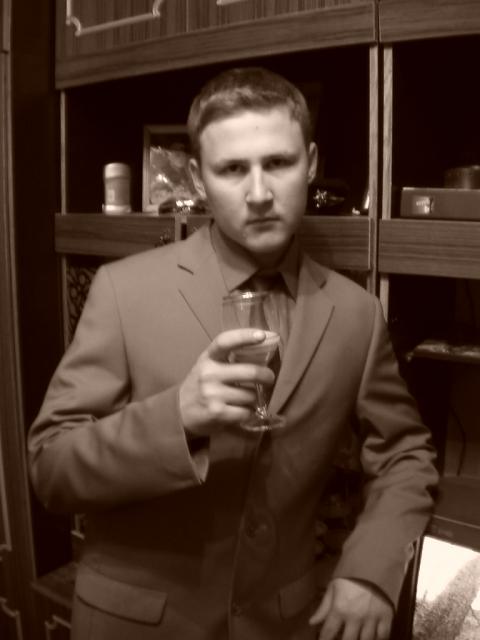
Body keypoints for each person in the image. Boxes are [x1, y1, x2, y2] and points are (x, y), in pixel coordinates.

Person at [28, 67, 438, 640]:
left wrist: (372, 569)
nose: (260, 194)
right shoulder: (122, 290)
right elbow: (50, 468)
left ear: (311, 163)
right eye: (232, 169)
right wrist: (176, 419)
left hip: (287, 623)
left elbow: (405, 455)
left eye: (279, 162)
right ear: (199, 178)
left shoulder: (357, 314)